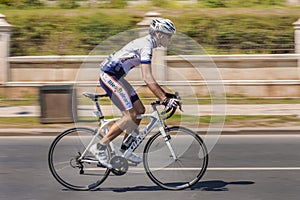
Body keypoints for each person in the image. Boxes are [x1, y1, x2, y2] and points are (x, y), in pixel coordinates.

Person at [89, 18, 180, 168]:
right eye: (168, 36)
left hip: (117, 78)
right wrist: (164, 98)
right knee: (130, 115)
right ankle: (99, 148)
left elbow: (149, 79)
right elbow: (147, 77)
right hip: (109, 77)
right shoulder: (146, 46)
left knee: (140, 110)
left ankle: (125, 151)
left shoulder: (148, 43)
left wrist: (166, 96)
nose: (170, 39)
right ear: (159, 34)